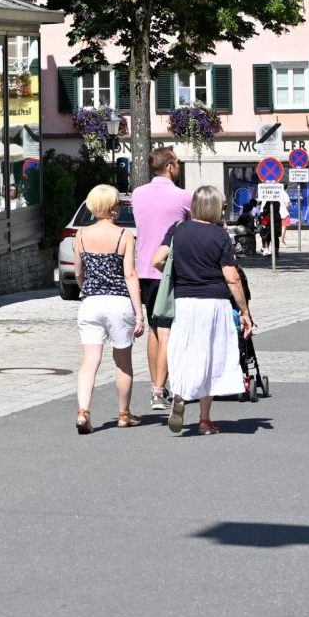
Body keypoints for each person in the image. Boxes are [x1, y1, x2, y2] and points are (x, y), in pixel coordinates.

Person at [154, 186, 253, 433]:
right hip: (214, 303)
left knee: (183, 351)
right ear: (215, 207)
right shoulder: (219, 236)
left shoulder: (177, 230)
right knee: (210, 356)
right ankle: (204, 419)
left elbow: (157, 260)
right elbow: (232, 278)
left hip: (184, 301)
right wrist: (244, 311)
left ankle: (179, 393)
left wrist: (174, 275)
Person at [68, 184, 139, 431]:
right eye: (118, 203)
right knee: (123, 361)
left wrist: (85, 288)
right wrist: (139, 312)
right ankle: (123, 414)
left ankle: (83, 411)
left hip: (91, 302)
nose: (119, 206)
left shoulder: (81, 235)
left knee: (90, 360)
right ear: (111, 208)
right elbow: (130, 274)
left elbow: (78, 271)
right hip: (119, 302)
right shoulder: (124, 235)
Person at [129, 146, 189, 413]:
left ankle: (157, 383)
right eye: (176, 162)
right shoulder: (184, 197)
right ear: (169, 166)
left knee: (155, 328)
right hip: (170, 270)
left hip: (144, 271)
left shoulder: (137, 195)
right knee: (168, 331)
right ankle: (160, 389)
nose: (178, 166)